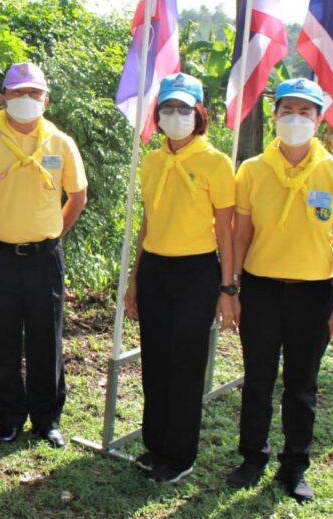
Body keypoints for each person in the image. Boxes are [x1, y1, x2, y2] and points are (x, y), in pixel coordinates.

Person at [225, 78, 333, 502]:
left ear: (319, 120)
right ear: (274, 115)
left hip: (313, 293)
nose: (295, 119)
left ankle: (295, 465)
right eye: (288, 111)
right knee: (258, 380)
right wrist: (231, 289)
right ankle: (252, 457)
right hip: (261, 290)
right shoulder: (252, 170)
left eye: (305, 112)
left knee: (302, 385)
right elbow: (241, 235)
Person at [0, 62, 88, 448]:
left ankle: (47, 420)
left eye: (34, 93)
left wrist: (54, 233)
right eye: (17, 92)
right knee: (2, 339)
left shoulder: (60, 143)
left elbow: (78, 196)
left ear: (46, 99)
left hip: (44, 258)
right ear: (3, 98)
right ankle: (9, 419)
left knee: (47, 339)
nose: (26, 99)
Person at [122, 73, 235, 483]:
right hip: (155, 269)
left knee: (185, 364)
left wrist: (228, 287)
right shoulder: (152, 161)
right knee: (155, 361)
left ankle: (180, 454)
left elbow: (226, 232)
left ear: (198, 113)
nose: (175, 115)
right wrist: (135, 280)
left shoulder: (216, 163)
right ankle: (155, 445)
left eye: (183, 108)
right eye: (167, 108)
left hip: (196, 272)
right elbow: (148, 222)